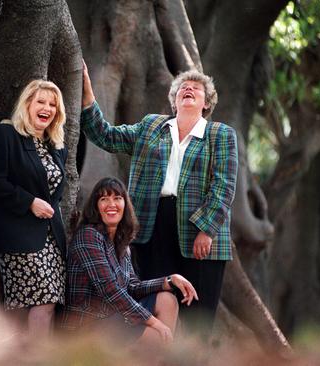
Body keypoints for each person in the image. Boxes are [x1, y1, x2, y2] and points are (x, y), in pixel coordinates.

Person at [80, 61, 238, 334]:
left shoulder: (220, 134)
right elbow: (105, 136)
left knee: (197, 318)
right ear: (175, 100)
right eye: (182, 88)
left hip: (200, 231)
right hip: (152, 228)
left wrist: (207, 229)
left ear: (206, 102)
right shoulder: (151, 126)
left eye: (196, 88)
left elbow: (224, 185)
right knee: (156, 307)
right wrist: (87, 95)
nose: (188, 89)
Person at [60, 177, 197, 345]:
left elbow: (132, 287)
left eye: (117, 198)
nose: (111, 204)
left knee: (167, 299)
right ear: (96, 207)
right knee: (155, 332)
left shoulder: (121, 244)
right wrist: (155, 323)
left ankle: (159, 358)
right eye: (104, 199)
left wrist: (170, 280)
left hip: (115, 316)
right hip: (89, 324)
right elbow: (110, 289)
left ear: (125, 205)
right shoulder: (89, 236)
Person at [0, 79, 68, 338]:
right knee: (39, 303)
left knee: (48, 304)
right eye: (41, 102)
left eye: (52, 104)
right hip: (18, 236)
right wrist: (29, 202)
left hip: (51, 241)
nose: (47, 108)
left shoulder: (55, 146)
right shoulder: (6, 134)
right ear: (27, 105)